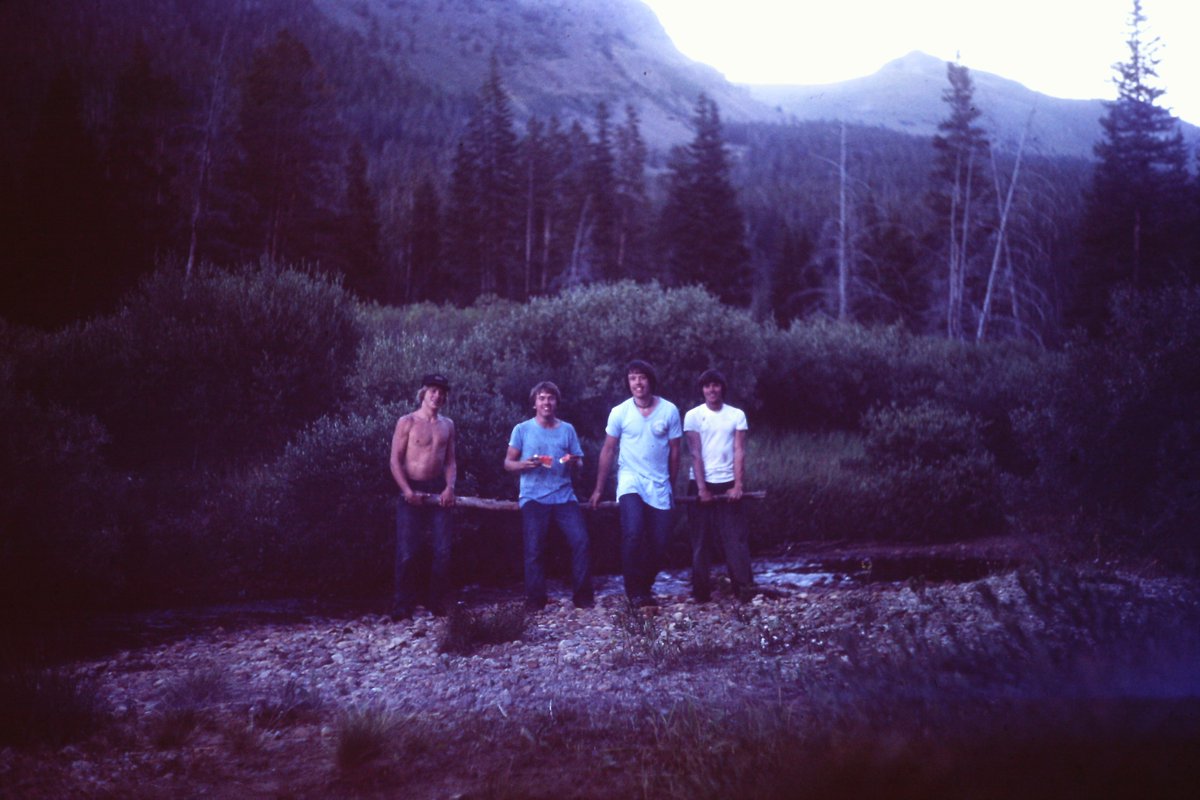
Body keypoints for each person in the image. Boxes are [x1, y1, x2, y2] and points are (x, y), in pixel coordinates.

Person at [589, 360, 681, 607]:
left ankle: (644, 585)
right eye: (632, 378)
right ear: (628, 383)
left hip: (659, 483)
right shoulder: (620, 412)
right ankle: (634, 592)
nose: (637, 383)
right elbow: (608, 451)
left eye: (641, 377)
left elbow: (675, 453)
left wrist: (671, 485)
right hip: (630, 480)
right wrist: (598, 489)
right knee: (633, 532)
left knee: (660, 542)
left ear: (650, 380)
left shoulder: (669, 410)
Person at [504, 381, 593, 611]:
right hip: (533, 497)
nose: (546, 402)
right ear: (534, 403)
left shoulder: (568, 429)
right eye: (542, 398)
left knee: (581, 541)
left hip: (564, 496)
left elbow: (580, 462)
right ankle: (535, 601)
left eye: (551, 398)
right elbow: (507, 463)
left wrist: (575, 462)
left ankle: (583, 598)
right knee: (534, 548)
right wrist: (525, 464)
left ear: (556, 402)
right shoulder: (522, 429)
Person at [389, 373, 456, 620]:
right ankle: (402, 606)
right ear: (423, 393)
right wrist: (406, 490)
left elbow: (450, 461)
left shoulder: (447, 425)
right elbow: (394, 460)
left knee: (443, 550)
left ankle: (436, 604)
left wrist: (450, 487)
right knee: (407, 551)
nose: (437, 396)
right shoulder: (407, 422)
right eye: (433, 391)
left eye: (441, 392)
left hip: (438, 489)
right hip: (411, 487)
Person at [683, 368, 753, 602]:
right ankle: (701, 594)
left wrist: (738, 485)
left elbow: (739, 450)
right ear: (702, 390)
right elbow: (695, 453)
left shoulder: (737, 415)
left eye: (715, 385)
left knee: (735, 540)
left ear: (722, 388)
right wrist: (702, 489)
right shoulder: (693, 416)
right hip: (700, 483)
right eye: (707, 386)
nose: (711, 390)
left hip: (729, 481)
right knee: (701, 542)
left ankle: (744, 591)